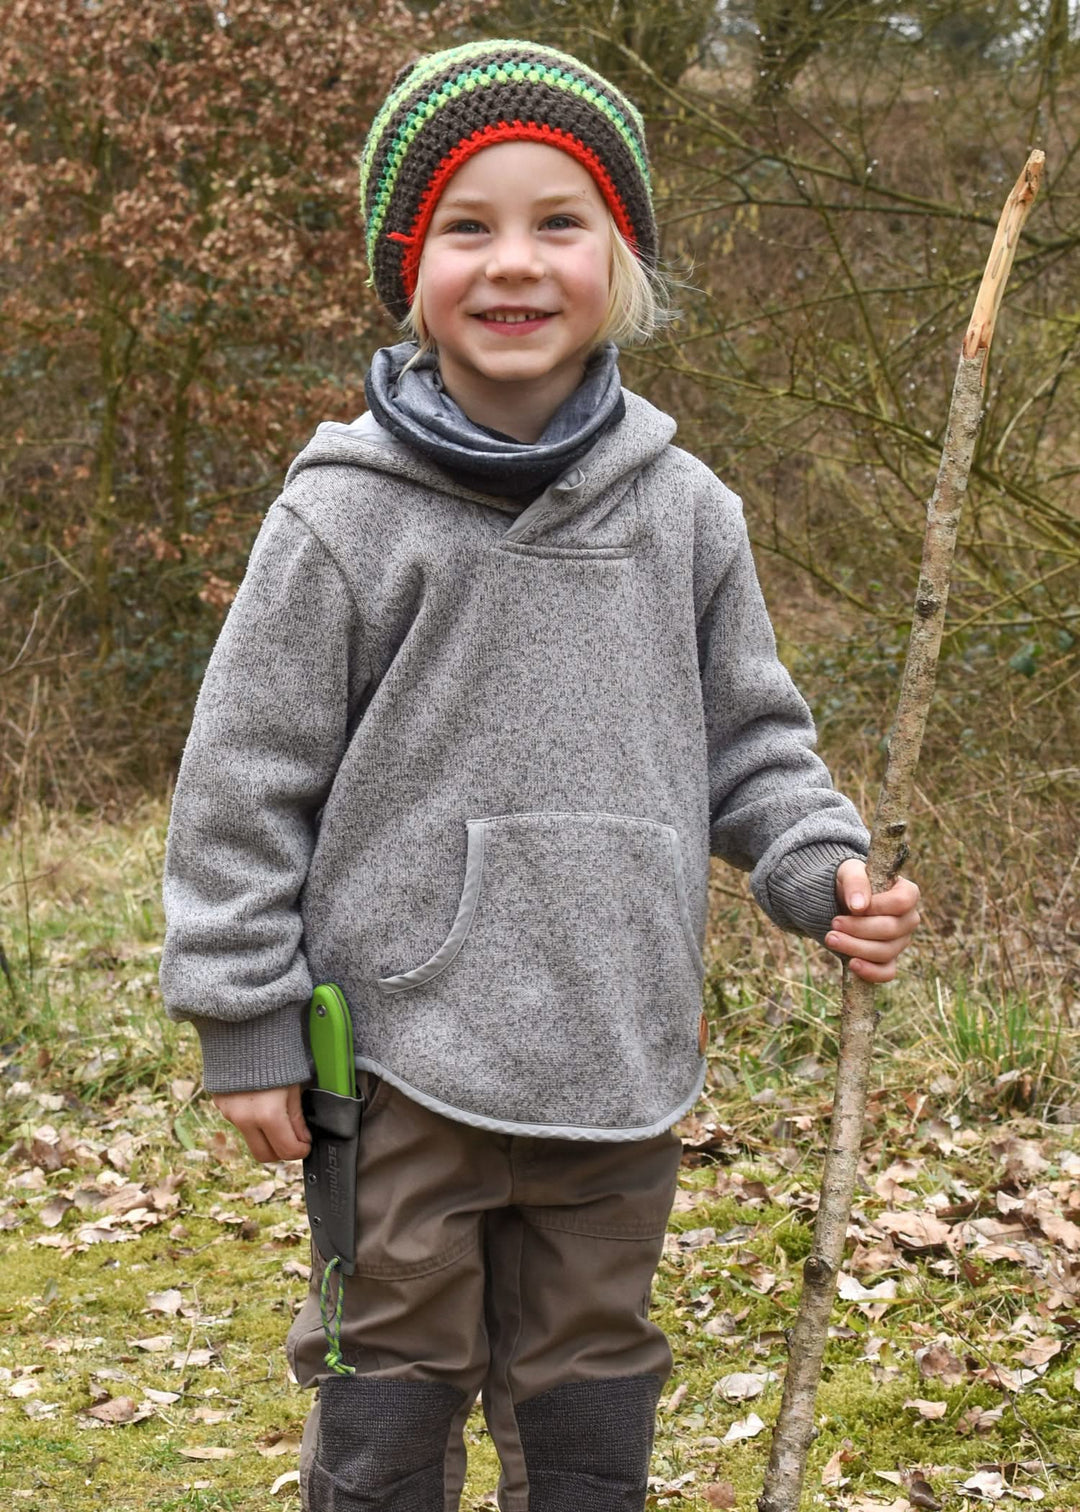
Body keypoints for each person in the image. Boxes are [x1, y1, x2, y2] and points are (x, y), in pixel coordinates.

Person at [160, 39, 921, 1512]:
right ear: (409, 263)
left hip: (616, 1047)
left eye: (559, 222)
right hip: (397, 1065)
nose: (515, 264)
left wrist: (817, 865)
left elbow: (751, 741)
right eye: (468, 226)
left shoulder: (688, 511)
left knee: (591, 1382)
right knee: (388, 1378)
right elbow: (241, 783)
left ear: (621, 260)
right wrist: (241, 1017)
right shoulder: (341, 520)